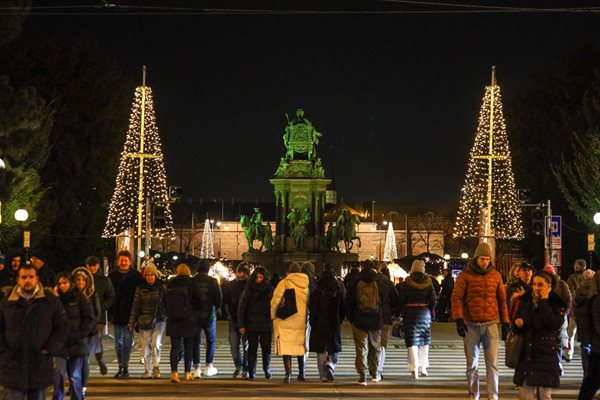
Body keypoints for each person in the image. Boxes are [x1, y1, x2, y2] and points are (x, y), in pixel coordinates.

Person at [0, 264, 69, 400]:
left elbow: (63, 326)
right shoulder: (7, 302)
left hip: (38, 364)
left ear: (37, 278)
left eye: (31, 277)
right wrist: (3, 350)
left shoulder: (50, 301)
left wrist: (50, 348)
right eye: (24, 277)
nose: (27, 280)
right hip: (12, 365)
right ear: (18, 280)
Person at [451, 242, 509, 400]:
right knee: (472, 364)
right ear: (476, 259)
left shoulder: (496, 276)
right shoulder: (465, 276)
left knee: (493, 364)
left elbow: (502, 300)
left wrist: (505, 322)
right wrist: (459, 319)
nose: (484, 262)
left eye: (487, 259)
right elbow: (456, 298)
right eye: (482, 258)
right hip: (471, 325)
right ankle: (473, 394)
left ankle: (493, 395)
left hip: (491, 324)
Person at [513, 270, 566, 400]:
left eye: (540, 285)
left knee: (544, 395)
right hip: (527, 353)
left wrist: (544, 302)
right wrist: (517, 324)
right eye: (534, 284)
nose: (536, 288)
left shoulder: (555, 302)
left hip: (546, 354)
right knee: (525, 395)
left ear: (549, 286)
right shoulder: (525, 300)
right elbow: (516, 326)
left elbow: (553, 324)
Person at [53, 272, 96, 400]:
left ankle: (77, 397)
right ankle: (57, 397)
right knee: (59, 373)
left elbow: (90, 318)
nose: (62, 286)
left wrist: (81, 334)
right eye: (60, 283)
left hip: (77, 343)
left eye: (65, 283)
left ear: (70, 283)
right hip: (60, 343)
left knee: (75, 375)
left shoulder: (79, 298)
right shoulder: (55, 299)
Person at [345, 259, 384, 386]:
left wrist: (351, 318)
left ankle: (363, 375)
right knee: (375, 347)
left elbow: (348, 302)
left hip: (359, 319)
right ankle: (375, 373)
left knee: (361, 348)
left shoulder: (355, 281)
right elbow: (393, 297)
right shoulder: (381, 280)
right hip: (376, 319)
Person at [396, 259, 437, 378]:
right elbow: (434, 300)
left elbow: (401, 300)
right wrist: (430, 309)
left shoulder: (406, 284)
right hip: (425, 314)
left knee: (412, 342)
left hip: (410, 313)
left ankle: (414, 368)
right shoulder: (429, 284)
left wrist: (398, 313)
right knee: (424, 341)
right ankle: (423, 368)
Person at [270, 262, 309, 383]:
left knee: (286, 347)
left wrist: (273, 315)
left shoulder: (284, 283)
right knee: (300, 347)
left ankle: (288, 374)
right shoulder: (306, 284)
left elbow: (276, 300)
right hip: (300, 320)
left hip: (285, 319)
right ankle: (301, 374)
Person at [128, 263, 166, 379]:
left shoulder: (161, 287)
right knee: (145, 347)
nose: (150, 277)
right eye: (148, 275)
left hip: (159, 319)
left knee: (155, 344)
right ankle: (146, 369)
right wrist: (131, 322)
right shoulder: (140, 287)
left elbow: (166, 303)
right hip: (144, 319)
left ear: (155, 275)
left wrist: (165, 314)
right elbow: (136, 305)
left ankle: (155, 366)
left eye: (152, 275)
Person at [308, 263, 345, 382]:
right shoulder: (339, 287)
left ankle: (322, 375)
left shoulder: (317, 288)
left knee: (321, 349)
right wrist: (341, 318)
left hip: (320, 320)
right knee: (334, 346)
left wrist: (312, 320)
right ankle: (330, 364)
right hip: (334, 320)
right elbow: (343, 305)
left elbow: (312, 306)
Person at [108, 250, 142, 379]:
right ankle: (121, 366)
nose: (123, 263)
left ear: (130, 262)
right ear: (118, 261)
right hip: (117, 314)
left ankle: (124, 367)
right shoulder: (112, 276)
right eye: (121, 260)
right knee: (118, 344)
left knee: (127, 342)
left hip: (130, 314)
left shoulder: (136, 276)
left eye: (125, 261)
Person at [238, 266, 274, 380]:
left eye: (261, 277)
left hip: (265, 324)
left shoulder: (270, 290)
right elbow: (242, 307)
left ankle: (266, 368)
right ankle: (252, 371)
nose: (258, 279)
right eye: (257, 277)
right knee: (252, 350)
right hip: (252, 323)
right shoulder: (249, 290)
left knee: (266, 349)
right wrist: (241, 325)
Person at [165, 264, 199, 383]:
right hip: (189, 319)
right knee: (188, 347)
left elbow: (164, 301)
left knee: (175, 348)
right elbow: (198, 300)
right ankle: (187, 372)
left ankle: (174, 373)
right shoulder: (193, 284)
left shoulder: (170, 283)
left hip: (173, 319)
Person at [72, 267, 101, 398]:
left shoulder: (92, 294)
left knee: (84, 360)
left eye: (83, 280)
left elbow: (97, 313)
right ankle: (74, 385)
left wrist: (88, 328)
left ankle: (82, 386)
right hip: (73, 333)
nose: (80, 282)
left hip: (88, 333)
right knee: (73, 361)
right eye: (78, 280)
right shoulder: (70, 295)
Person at [191, 259, 222, 378]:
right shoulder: (213, 282)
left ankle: (196, 368)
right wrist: (215, 307)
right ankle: (209, 366)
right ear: (208, 269)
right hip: (209, 315)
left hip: (195, 315)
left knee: (196, 342)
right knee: (211, 341)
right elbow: (218, 300)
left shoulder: (192, 281)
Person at [85, 256, 114, 375]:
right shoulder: (83, 279)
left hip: (98, 316)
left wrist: (101, 308)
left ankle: (99, 359)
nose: (92, 268)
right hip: (84, 316)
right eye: (89, 265)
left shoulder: (104, 281)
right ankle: (84, 363)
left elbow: (111, 296)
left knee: (96, 339)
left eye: (94, 265)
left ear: (98, 266)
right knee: (85, 340)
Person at [222, 262, 250, 378]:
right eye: (239, 272)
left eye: (243, 272)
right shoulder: (230, 286)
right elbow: (225, 302)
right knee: (234, 346)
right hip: (233, 319)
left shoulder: (250, 286)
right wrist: (228, 314)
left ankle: (245, 367)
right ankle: (238, 366)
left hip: (247, 320)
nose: (241, 274)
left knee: (246, 345)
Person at [578, 271, 600, 400]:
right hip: (598, 348)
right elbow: (597, 324)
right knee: (592, 382)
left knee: (592, 381)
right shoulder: (597, 300)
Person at [573, 269, 596, 380]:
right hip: (594, 326)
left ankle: (586, 373)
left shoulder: (579, 291)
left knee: (585, 348)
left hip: (583, 325)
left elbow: (575, 307)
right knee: (595, 349)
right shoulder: (596, 291)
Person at [377, 265, 399, 380]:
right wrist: (395, 313)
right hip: (386, 316)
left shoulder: (372, 281)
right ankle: (379, 368)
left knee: (372, 341)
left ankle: (372, 366)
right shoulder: (389, 283)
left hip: (373, 316)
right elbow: (396, 299)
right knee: (383, 344)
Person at [567, 259, 588, 362]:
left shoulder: (572, 278)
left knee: (571, 333)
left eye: (577, 265)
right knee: (579, 334)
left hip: (575, 310)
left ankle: (568, 354)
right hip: (581, 310)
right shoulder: (586, 277)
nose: (575, 267)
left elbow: (570, 293)